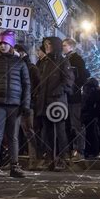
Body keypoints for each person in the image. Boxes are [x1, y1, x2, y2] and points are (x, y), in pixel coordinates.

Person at [0, 30, 31, 178]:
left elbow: (26, 84)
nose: (2, 46)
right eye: (0, 44)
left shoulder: (20, 63)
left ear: (11, 45)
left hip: (15, 104)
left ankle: (14, 166)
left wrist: (26, 104)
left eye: (5, 43)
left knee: (13, 136)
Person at [36, 36, 74, 171]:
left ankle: (62, 158)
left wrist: (57, 90)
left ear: (55, 46)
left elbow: (69, 81)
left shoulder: (63, 61)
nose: (46, 47)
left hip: (57, 102)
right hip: (44, 102)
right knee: (47, 131)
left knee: (60, 131)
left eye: (49, 45)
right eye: (45, 45)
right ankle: (49, 159)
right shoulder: (44, 62)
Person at [14, 44, 42, 170]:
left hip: (27, 105)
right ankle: (14, 161)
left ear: (22, 53)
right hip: (14, 104)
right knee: (13, 134)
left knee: (29, 132)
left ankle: (33, 160)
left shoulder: (31, 68)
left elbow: (38, 85)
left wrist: (31, 98)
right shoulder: (15, 66)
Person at [63, 38, 88, 162]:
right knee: (67, 125)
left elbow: (83, 76)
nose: (63, 47)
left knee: (76, 124)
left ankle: (80, 151)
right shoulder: (64, 59)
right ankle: (68, 150)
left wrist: (74, 89)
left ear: (71, 46)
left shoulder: (77, 59)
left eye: (65, 45)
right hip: (65, 97)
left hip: (74, 98)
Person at [81, 78, 100, 158]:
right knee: (96, 134)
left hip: (88, 115)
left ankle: (88, 151)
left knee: (89, 134)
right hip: (96, 116)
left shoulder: (86, 91)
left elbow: (85, 104)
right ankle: (96, 151)